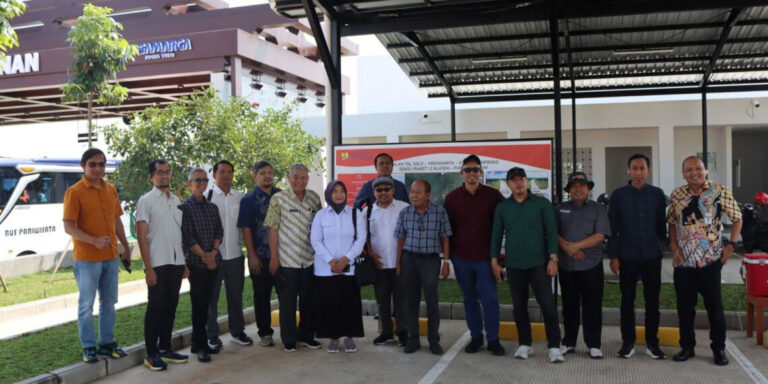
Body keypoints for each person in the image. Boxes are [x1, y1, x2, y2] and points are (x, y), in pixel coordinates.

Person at [668, 156, 742, 366]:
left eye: (699, 168)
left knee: (715, 309)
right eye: (689, 169)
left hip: (710, 262)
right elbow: (672, 223)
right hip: (683, 264)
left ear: (705, 170)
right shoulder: (677, 195)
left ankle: (718, 349)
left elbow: (737, 218)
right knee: (684, 308)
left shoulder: (720, 191)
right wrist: (673, 246)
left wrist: (731, 245)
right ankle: (687, 347)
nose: (694, 172)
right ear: (683, 173)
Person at [63, 148, 131, 363]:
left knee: (109, 302)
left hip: (111, 257)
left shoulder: (110, 189)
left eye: (101, 164)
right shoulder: (74, 192)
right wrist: (93, 241)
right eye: (93, 164)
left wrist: (125, 246)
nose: (98, 168)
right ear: (83, 166)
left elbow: (117, 220)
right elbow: (68, 226)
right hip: (86, 259)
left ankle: (107, 343)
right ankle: (89, 347)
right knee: (86, 305)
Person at [490, 167, 564, 363]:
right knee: (519, 307)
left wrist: (553, 259)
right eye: (513, 180)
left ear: (526, 180)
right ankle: (525, 344)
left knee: (548, 305)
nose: (518, 183)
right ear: (508, 184)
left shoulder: (541, 204)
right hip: (514, 265)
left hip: (539, 264)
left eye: (521, 179)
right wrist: (494, 261)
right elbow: (496, 235)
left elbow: (551, 231)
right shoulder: (503, 207)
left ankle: (554, 346)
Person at [443, 155, 505, 356]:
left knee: (490, 300)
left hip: (486, 259)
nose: (472, 174)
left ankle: (493, 339)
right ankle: (476, 337)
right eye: (468, 170)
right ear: (462, 173)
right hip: (461, 259)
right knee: (469, 300)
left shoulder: (494, 196)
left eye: (475, 170)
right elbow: (447, 230)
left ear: (481, 172)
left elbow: (505, 220)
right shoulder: (452, 198)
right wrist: (448, 256)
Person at [608, 153, 668, 360]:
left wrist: (660, 246)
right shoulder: (617, 196)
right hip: (627, 256)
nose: (638, 172)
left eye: (642, 168)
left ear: (648, 170)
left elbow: (662, 226)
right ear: (628, 170)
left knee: (653, 301)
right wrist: (613, 256)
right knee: (627, 301)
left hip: (652, 255)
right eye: (634, 168)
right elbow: (613, 230)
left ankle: (652, 343)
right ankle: (628, 343)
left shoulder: (658, 195)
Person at [135, 160, 188, 371]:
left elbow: (179, 234)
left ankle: (166, 347)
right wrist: (148, 269)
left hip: (176, 262)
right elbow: (141, 237)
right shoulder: (145, 201)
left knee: (171, 306)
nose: (164, 176)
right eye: (159, 173)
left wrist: (183, 262)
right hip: (157, 263)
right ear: (151, 176)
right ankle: (151, 353)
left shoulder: (176, 200)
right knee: (155, 308)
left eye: (167, 172)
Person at [265, 164, 323, 352]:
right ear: (289, 178)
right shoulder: (278, 199)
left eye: (303, 177)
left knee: (310, 301)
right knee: (287, 302)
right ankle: (289, 339)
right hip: (286, 260)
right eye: (296, 177)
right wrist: (274, 257)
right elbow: (272, 230)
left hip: (309, 259)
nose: (300, 181)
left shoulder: (314, 198)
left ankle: (307, 336)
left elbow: (320, 225)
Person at [556, 172, 610, 359]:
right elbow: (553, 232)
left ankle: (593, 344)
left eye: (582, 185)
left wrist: (574, 247)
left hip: (591, 265)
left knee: (592, 306)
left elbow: (600, 235)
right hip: (567, 265)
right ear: (569, 189)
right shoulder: (560, 208)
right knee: (569, 305)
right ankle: (569, 342)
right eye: (574, 185)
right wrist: (567, 249)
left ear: (588, 188)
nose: (578, 188)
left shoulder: (598, 209)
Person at [395, 180, 452, 355]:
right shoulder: (405, 213)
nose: (414, 195)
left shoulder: (439, 212)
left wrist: (446, 262)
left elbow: (445, 238)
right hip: (409, 260)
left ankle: (434, 340)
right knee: (410, 302)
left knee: (431, 301)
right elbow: (400, 239)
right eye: (412, 192)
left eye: (418, 192)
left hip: (430, 261)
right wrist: (398, 263)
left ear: (428, 195)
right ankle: (413, 339)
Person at [310, 180, 367, 353]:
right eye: (335, 191)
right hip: (325, 269)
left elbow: (360, 240)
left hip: (348, 268)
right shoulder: (321, 215)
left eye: (342, 190)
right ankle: (333, 338)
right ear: (329, 194)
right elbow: (315, 240)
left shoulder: (355, 214)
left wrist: (346, 259)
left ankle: (349, 337)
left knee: (349, 304)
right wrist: (331, 261)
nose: (339, 194)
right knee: (329, 304)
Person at [206, 161, 252, 351]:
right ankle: (212, 336)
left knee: (235, 296)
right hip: (213, 257)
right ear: (214, 175)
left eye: (229, 172)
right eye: (222, 172)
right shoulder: (207, 197)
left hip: (235, 255)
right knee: (211, 298)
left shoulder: (240, 198)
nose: (226, 175)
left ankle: (237, 332)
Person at [180, 168, 223, 363]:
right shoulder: (184, 208)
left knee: (207, 303)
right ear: (189, 183)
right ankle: (201, 346)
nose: (202, 183)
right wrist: (205, 256)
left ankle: (198, 343)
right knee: (199, 306)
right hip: (197, 264)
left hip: (213, 262)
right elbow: (188, 238)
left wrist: (213, 254)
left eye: (205, 180)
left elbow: (218, 232)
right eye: (197, 180)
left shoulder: (212, 208)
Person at [238, 161, 281, 347]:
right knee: (261, 296)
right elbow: (246, 229)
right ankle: (265, 333)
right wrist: (252, 256)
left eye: (270, 172)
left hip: (283, 255)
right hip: (260, 256)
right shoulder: (248, 200)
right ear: (254, 176)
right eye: (262, 173)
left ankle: (289, 331)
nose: (267, 176)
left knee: (286, 294)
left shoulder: (282, 196)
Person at [367, 177, 409, 347]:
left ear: (393, 190)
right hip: (380, 265)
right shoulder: (368, 212)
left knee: (401, 300)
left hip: (401, 263)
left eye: (386, 189)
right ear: (374, 192)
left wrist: (402, 260)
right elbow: (364, 237)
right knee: (382, 300)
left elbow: (408, 234)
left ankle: (403, 332)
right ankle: (386, 333)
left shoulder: (404, 208)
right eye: (379, 190)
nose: (383, 192)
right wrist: (370, 253)